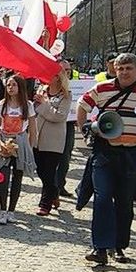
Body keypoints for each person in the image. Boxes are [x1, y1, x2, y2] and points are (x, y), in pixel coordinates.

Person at [77, 53, 136, 265]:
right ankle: (99, 247)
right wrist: (85, 130)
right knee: (102, 198)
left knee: (124, 202)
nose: (123, 72)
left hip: (132, 153)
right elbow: (82, 106)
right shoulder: (102, 89)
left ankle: (119, 246)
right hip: (105, 152)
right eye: (120, 68)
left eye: (128, 68)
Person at [0, 75, 37, 225]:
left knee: (17, 177)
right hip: (5, 141)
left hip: (21, 141)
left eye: (14, 85)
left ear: (20, 87)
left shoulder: (28, 105)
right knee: (3, 176)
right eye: (8, 85)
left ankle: (12, 210)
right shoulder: (1, 105)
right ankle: (2, 210)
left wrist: (29, 148)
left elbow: (32, 129)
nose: (11, 88)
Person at [33, 68, 71, 216]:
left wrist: (44, 104)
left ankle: (45, 204)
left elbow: (59, 116)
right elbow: (34, 109)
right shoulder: (42, 90)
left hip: (53, 139)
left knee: (49, 172)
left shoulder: (65, 95)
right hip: (37, 136)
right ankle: (54, 192)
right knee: (40, 170)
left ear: (57, 77)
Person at [56, 59, 77, 198]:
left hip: (69, 124)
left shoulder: (76, 86)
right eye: (63, 71)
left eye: (68, 71)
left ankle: (59, 185)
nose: (66, 73)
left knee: (65, 155)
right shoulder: (48, 86)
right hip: (52, 125)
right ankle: (51, 186)